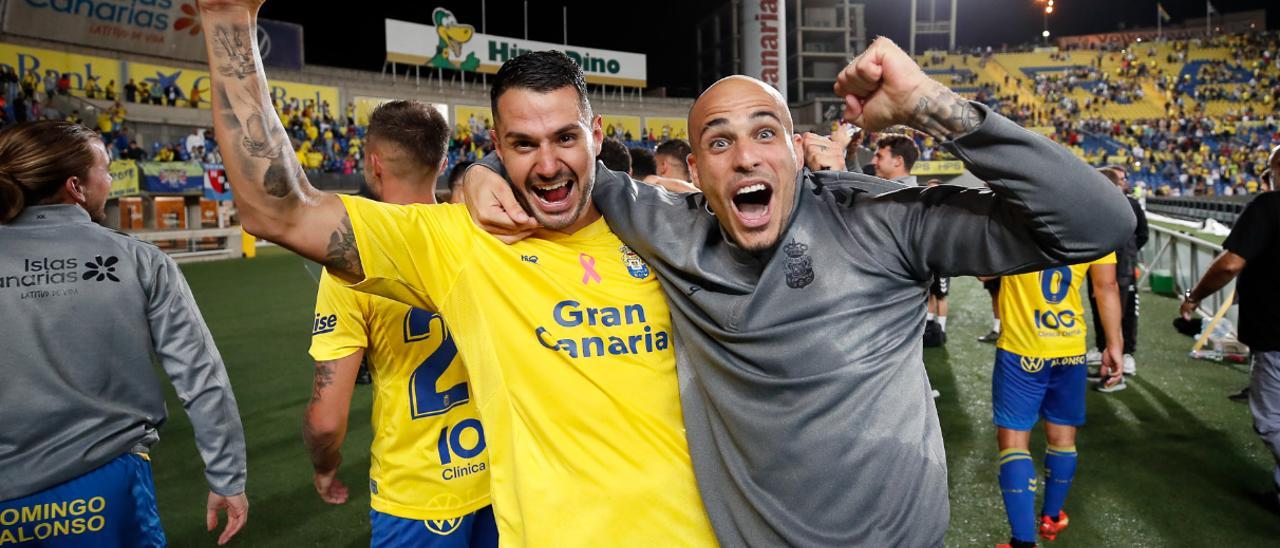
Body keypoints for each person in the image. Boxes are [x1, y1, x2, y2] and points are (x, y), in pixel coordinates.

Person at [465, 36, 1134, 545]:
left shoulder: (883, 220)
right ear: (696, 171)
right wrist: (481, 166)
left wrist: (933, 104)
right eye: (719, 141)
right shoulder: (667, 228)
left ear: (795, 149)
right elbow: (559, 164)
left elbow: (1100, 221)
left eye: (764, 132)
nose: (746, 156)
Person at [198, 2, 714, 544]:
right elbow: (276, 210)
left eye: (565, 137)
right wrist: (227, 16)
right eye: (522, 144)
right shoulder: (461, 242)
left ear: (596, 132)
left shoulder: (662, 229)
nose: (546, 164)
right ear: (496, 145)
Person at [0, 120, 249, 546]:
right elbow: (201, 376)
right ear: (76, 186)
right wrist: (227, 476)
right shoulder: (137, 259)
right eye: (107, 170)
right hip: (106, 486)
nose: (111, 182)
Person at [303, 100, 496, 547]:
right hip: (500, 481)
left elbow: (327, 420)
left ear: (373, 164)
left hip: (419, 495)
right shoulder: (485, 236)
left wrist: (324, 464)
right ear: (444, 162)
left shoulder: (349, 266)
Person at [989, 254, 1124, 548]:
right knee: (1063, 435)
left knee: (1014, 439)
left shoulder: (1019, 214)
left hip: (1022, 348)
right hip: (1071, 347)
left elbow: (985, 273)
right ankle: (1051, 517)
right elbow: (1107, 286)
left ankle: (1023, 542)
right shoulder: (1096, 222)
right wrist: (1114, 344)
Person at [1180, 144, 1280, 505]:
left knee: (1271, 419)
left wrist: (1194, 296)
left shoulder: (1269, 206)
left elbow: (1229, 264)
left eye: (1268, 174)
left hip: (1276, 333)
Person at [1088, 166, 1148, 383]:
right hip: (1100, 267)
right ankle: (1103, 346)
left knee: (1125, 311)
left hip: (1123, 268)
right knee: (1099, 307)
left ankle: (1126, 353)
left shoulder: (1130, 205)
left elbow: (1143, 234)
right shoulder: (1094, 207)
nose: (1123, 182)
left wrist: (1129, 254)